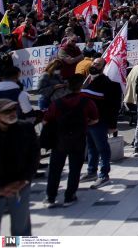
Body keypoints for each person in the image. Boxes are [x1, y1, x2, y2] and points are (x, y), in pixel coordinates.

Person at [0, 99, 39, 236]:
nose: (12, 113)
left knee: (21, 229)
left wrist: (23, 181)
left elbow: (34, 158)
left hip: (20, 188)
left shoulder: (26, 128)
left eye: (14, 109)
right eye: (7, 111)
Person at [43, 74, 98, 207]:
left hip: (59, 139)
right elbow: (95, 119)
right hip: (78, 139)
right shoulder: (87, 101)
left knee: (55, 169)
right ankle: (69, 196)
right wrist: (86, 122)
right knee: (75, 169)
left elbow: (45, 121)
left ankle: (51, 197)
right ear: (81, 86)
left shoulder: (57, 102)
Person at [81, 58, 121, 188]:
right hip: (87, 122)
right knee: (91, 147)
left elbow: (113, 106)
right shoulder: (87, 80)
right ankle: (91, 171)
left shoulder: (107, 83)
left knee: (102, 148)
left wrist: (112, 125)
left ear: (103, 67)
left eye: (97, 64)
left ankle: (104, 175)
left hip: (100, 122)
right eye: (93, 63)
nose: (94, 65)